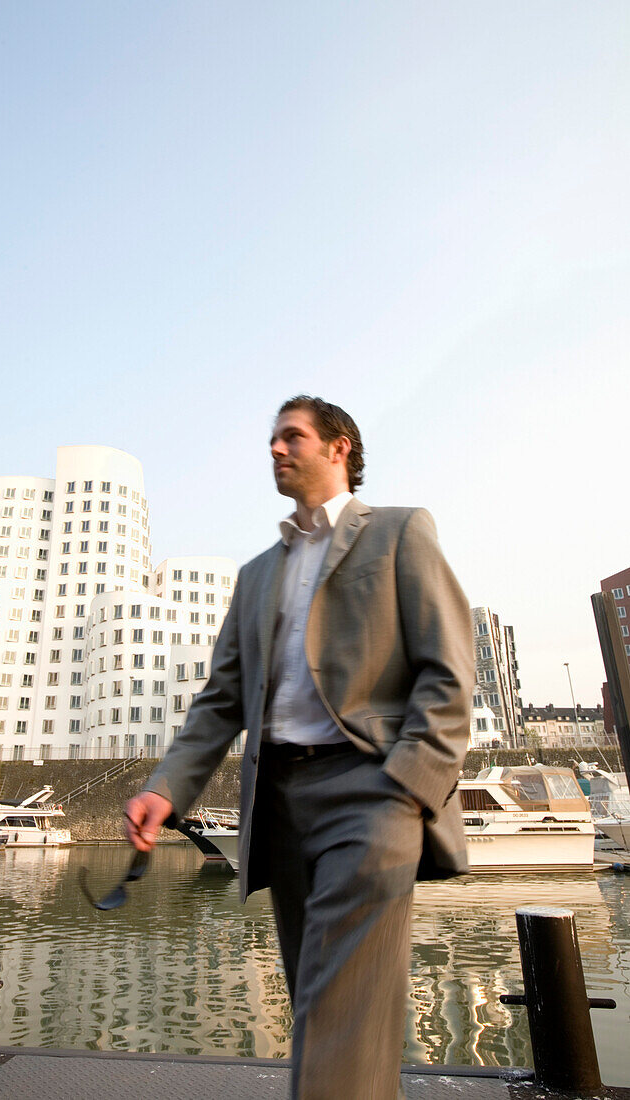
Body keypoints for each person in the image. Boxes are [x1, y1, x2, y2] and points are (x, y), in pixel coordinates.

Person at [125, 395, 474, 1100]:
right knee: (327, 1001)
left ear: (338, 446)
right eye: (272, 440)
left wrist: (406, 785)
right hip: (279, 804)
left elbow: (447, 669)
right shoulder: (255, 574)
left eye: (291, 436)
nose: (276, 450)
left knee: (337, 1003)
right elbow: (222, 700)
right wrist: (166, 787)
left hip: (371, 791)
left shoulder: (400, 532)